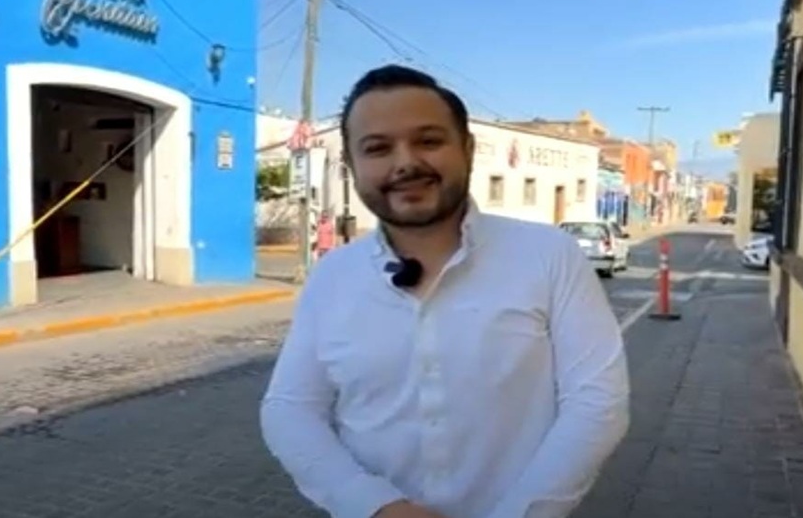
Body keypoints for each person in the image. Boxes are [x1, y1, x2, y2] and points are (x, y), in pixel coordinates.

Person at [260, 65, 630, 518]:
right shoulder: (332, 277)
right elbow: (290, 410)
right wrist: (373, 505)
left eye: (429, 141)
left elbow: (597, 402)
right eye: (377, 148)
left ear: (467, 150)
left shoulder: (550, 256)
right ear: (352, 166)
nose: (405, 163)